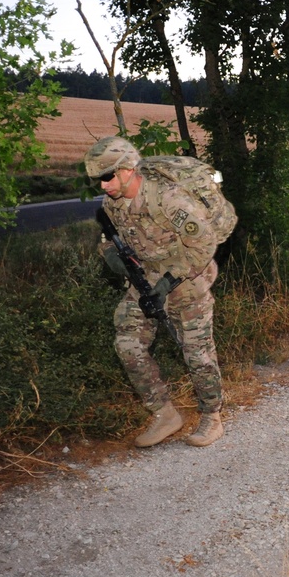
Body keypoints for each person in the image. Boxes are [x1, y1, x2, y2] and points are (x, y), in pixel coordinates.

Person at [85, 136, 236, 448]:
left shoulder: (169, 199)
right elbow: (109, 241)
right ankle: (165, 414)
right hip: (146, 280)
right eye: (98, 179)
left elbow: (204, 244)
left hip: (188, 279)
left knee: (197, 353)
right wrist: (115, 259)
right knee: (127, 343)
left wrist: (167, 284)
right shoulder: (111, 204)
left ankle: (212, 416)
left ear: (127, 169)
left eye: (106, 177)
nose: (103, 186)